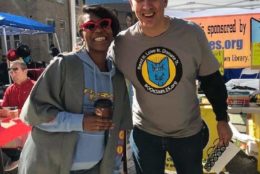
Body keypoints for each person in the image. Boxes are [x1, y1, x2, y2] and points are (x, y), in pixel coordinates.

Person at [109, 0, 233, 174]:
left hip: (187, 134)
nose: (146, 6)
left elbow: (212, 80)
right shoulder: (122, 44)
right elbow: (102, 77)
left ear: (165, 1)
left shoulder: (191, 33)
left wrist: (222, 119)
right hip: (145, 134)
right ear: (131, 4)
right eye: (139, 0)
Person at [18, 5, 132, 174]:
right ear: (81, 34)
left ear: (112, 29)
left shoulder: (117, 78)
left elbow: (120, 131)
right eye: (90, 26)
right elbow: (34, 115)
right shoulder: (64, 65)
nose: (98, 30)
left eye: (104, 24)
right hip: (49, 167)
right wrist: (80, 122)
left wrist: (114, 167)